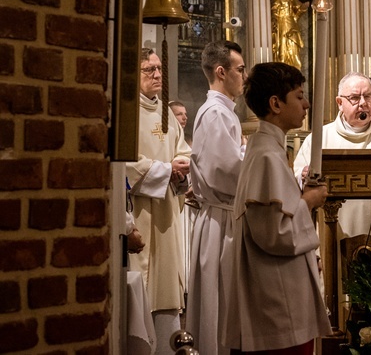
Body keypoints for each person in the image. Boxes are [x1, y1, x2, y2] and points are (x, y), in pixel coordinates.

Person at [223, 62, 330, 354]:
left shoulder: (267, 150)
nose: (307, 104)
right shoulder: (267, 156)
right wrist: (309, 201)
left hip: (278, 290)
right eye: (298, 96)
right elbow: (275, 234)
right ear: (275, 103)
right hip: (276, 301)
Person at [294, 72, 371, 238]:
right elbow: (298, 174)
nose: (363, 103)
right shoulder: (320, 137)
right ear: (340, 102)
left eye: (368, 96)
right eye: (354, 97)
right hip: (338, 228)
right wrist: (304, 175)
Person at [126, 48, 191, 355]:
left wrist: (179, 170)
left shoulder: (166, 112)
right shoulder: (127, 111)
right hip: (138, 212)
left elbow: (184, 151)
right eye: (147, 70)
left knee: (166, 291)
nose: (155, 75)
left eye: (158, 69)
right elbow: (125, 163)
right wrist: (166, 170)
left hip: (166, 214)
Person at [186, 41, 246, 355]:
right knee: (218, 305)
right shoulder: (216, 114)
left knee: (222, 303)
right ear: (221, 72)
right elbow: (227, 172)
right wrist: (255, 157)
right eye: (240, 69)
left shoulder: (222, 113)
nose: (244, 76)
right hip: (220, 224)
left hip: (221, 218)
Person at [271, 0, 309, 68]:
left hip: (293, 28)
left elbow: (295, 16)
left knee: (295, 55)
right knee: (283, 54)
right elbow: (274, 13)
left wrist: (303, 8)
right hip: (282, 29)